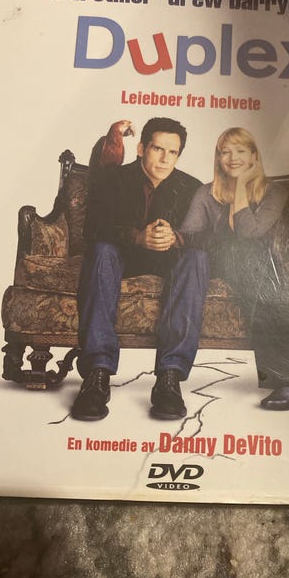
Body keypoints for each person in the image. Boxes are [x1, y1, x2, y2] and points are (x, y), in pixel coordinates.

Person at [153, 127, 289, 415]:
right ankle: (169, 377)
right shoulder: (205, 193)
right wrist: (173, 236)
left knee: (252, 257)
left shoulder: (274, 192)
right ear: (218, 158)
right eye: (225, 152)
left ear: (254, 156)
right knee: (193, 257)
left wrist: (239, 188)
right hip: (215, 262)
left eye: (240, 151)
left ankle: (286, 376)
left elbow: (249, 232)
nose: (232, 157)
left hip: (254, 264)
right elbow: (190, 236)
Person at [71, 117, 202, 421]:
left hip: (168, 260)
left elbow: (211, 237)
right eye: (158, 149)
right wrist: (136, 236)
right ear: (142, 148)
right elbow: (92, 229)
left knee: (197, 258)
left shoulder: (191, 187)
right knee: (101, 251)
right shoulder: (113, 179)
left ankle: (169, 378)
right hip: (122, 257)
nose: (165, 159)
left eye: (173, 152)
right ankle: (97, 376)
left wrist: (177, 238)